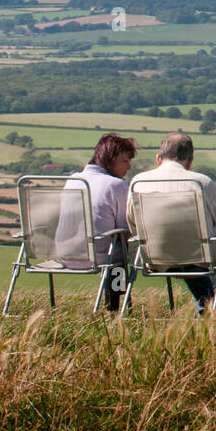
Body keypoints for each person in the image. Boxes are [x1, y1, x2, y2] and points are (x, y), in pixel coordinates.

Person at [126, 133, 216, 315]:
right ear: (189, 161)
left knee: (188, 255)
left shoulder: (138, 182)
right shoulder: (200, 182)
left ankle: (206, 305)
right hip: (200, 256)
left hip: (156, 256)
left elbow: (133, 222)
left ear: (158, 158)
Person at [60, 133, 137, 311]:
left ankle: (120, 306)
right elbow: (124, 230)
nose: (129, 166)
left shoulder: (73, 180)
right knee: (120, 251)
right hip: (99, 257)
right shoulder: (116, 185)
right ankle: (117, 306)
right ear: (113, 158)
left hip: (66, 254)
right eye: (125, 161)